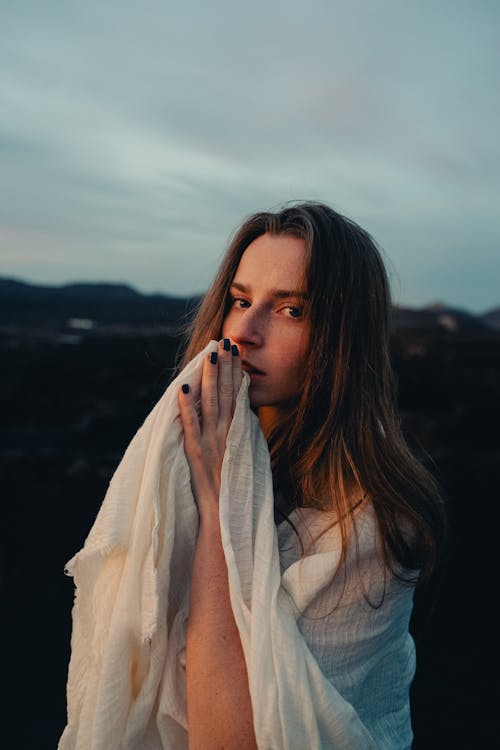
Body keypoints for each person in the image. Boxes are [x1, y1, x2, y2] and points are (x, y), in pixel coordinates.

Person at [176, 201, 445, 749]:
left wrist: (216, 501)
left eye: (292, 310)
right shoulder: (193, 447)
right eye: (240, 300)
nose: (245, 332)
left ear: (343, 337)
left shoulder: (367, 527)